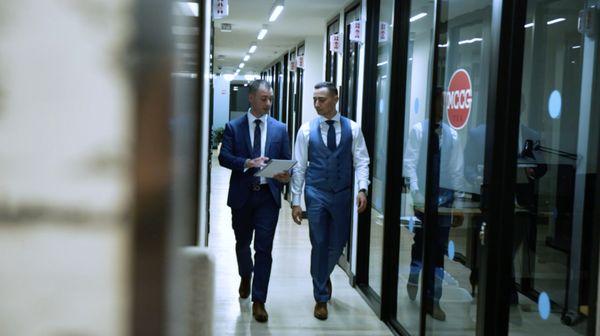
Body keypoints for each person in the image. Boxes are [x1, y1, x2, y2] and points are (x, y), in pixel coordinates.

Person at [291, 81, 370, 320]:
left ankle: (322, 279)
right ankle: (321, 297)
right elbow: (299, 167)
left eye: (321, 99)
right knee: (320, 243)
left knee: (338, 243)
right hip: (316, 193)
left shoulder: (353, 129)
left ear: (335, 98)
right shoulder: (306, 130)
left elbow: (362, 161)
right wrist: (296, 201)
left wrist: (362, 189)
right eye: (314, 99)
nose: (316, 104)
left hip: (343, 194)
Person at [463, 97, 547, 312]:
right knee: (495, 244)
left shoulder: (532, 135)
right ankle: (506, 294)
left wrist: (532, 170)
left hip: (520, 203)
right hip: (491, 201)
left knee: (508, 249)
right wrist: (478, 178)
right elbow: (469, 168)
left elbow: (542, 166)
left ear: (523, 108)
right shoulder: (479, 133)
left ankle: (485, 278)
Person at [218, 79, 291, 323]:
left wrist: (284, 175)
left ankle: (259, 300)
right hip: (241, 196)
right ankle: (245, 275)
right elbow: (224, 158)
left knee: (264, 249)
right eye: (263, 98)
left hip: (267, 199)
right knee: (242, 243)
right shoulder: (233, 127)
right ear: (251, 98)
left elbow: (286, 163)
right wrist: (247, 163)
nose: (268, 103)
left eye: (270, 98)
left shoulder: (280, 129)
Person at [403, 89, 464, 321]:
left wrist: (457, 203)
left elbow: (456, 170)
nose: (443, 106)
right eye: (439, 102)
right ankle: (413, 274)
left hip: (445, 199)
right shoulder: (419, 131)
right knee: (422, 242)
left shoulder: (453, 135)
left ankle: (433, 299)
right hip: (423, 198)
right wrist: (416, 197)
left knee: (438, 249)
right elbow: (410, 164)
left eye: (445, 103)